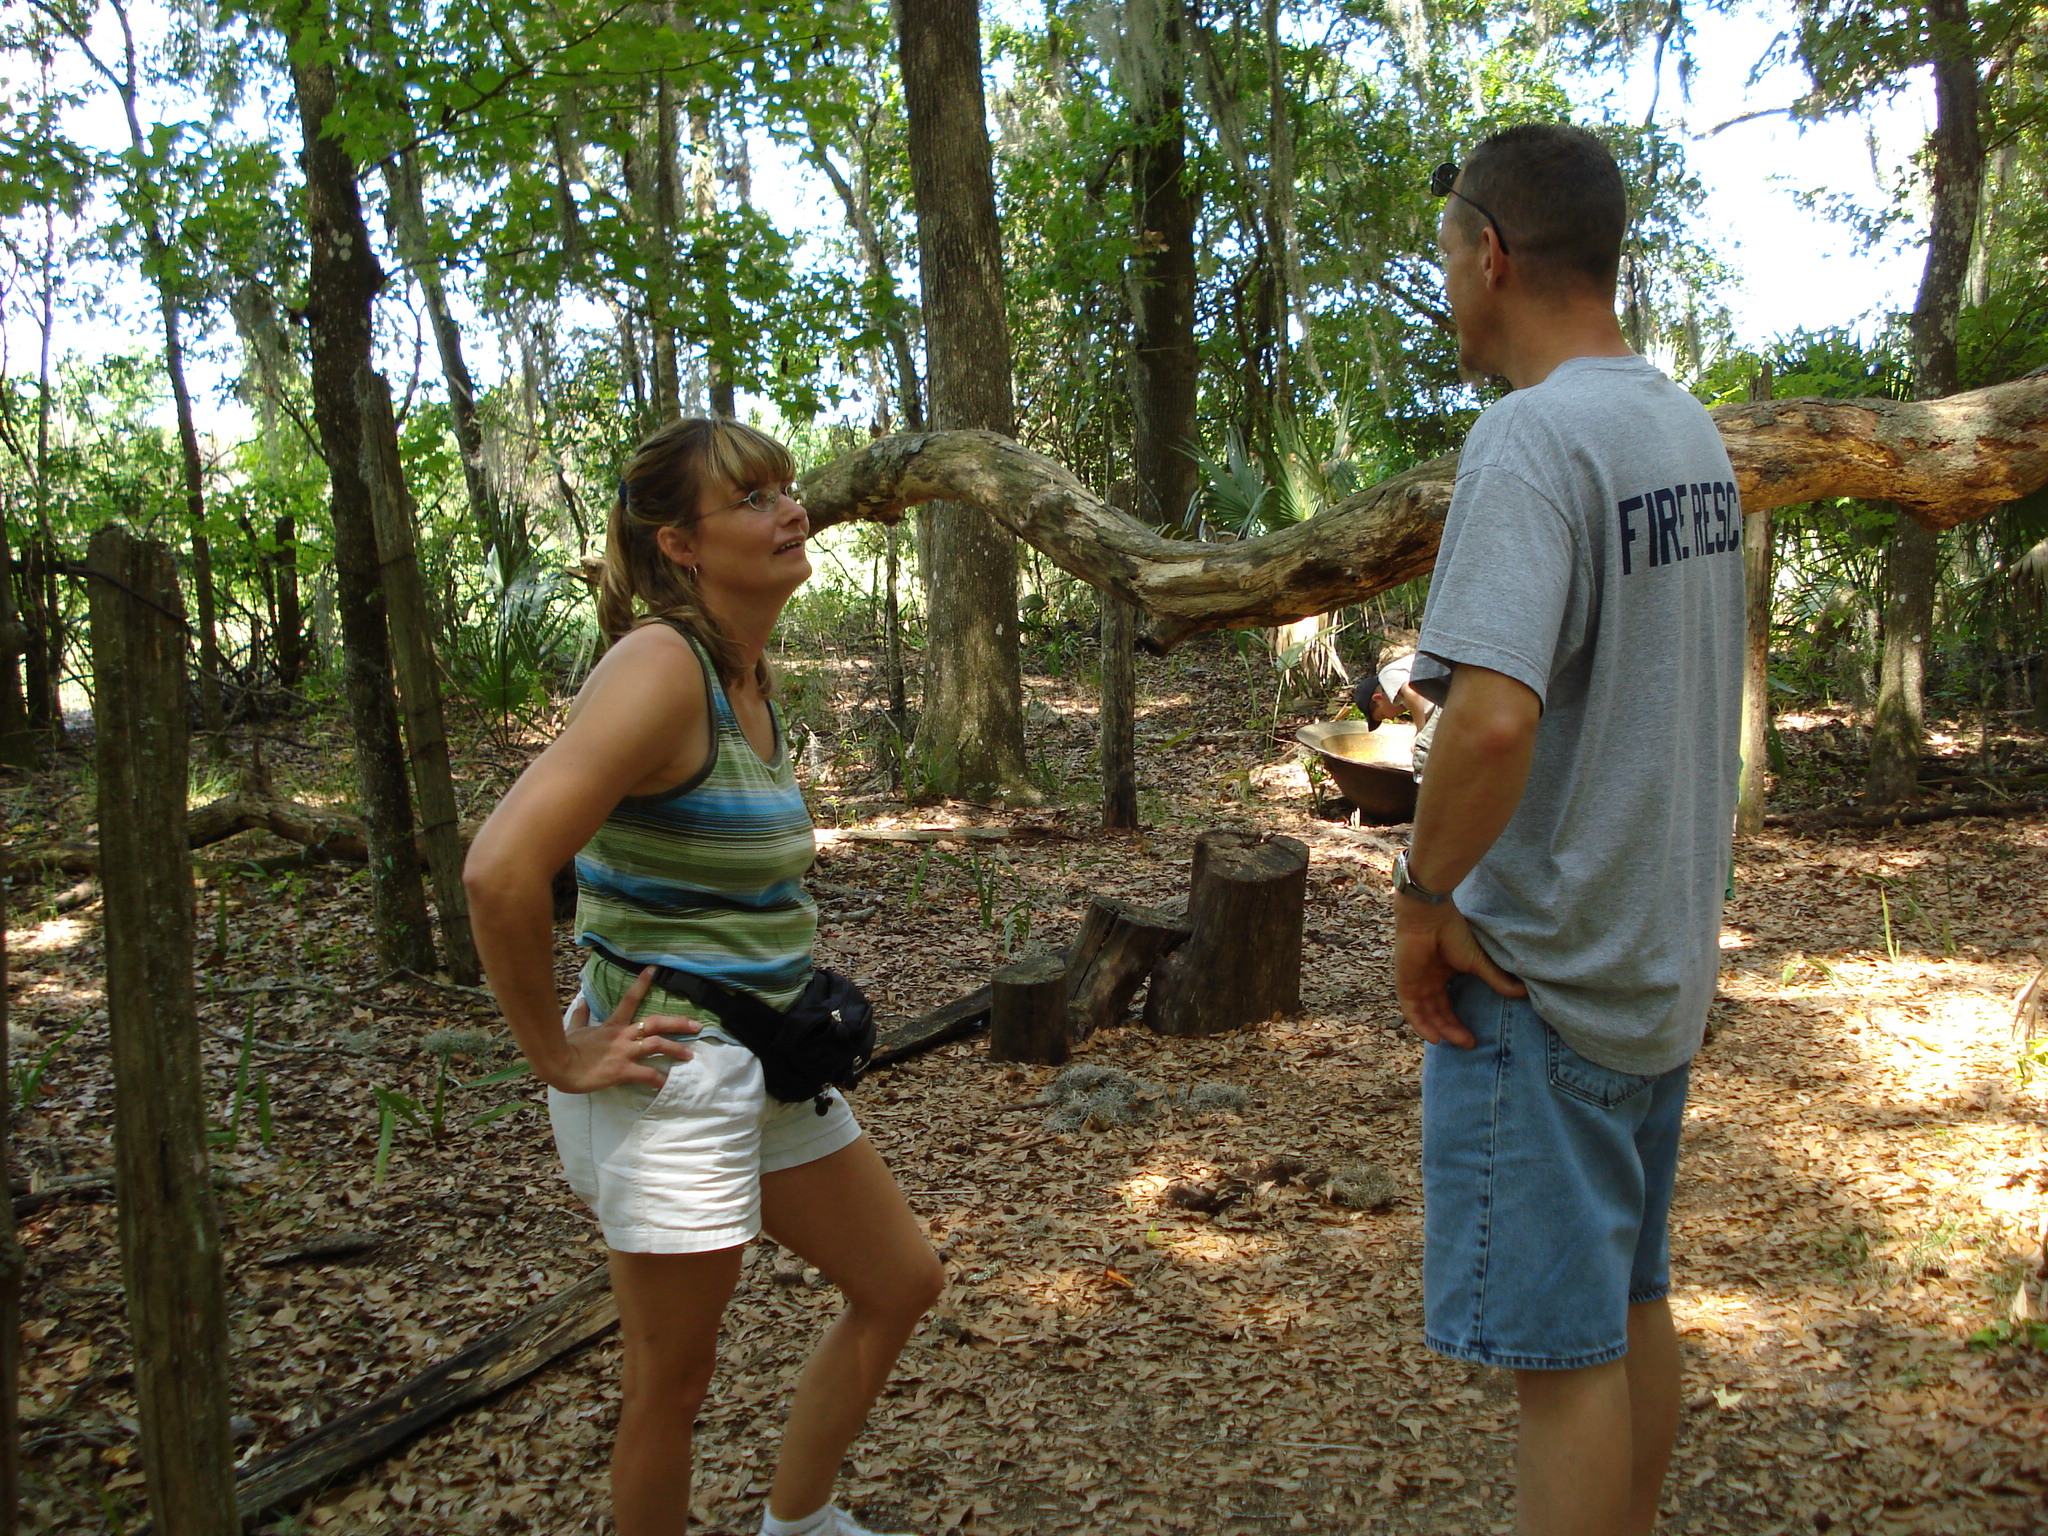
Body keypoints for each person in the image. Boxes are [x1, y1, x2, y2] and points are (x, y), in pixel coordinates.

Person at [464, 418, 943, 1536]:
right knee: (671, 1386)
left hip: (761, 1055)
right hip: (673, 1076)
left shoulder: (744, 672)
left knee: (900, 1282)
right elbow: (499, 869)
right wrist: (555, 1054)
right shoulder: (659, 668)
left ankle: (799, 1522)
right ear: (679, 544)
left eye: (787, 487)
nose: (791, 509)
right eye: (754, 498)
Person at [1389, 124, 1742, 1536]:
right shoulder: (1683, 428)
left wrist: (1421, 898)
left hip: (1541, 980)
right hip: (1656, 969)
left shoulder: (1530, 437)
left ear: (1492, 254)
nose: (1445, 288)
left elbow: (1489, 723)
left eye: (1444, 257)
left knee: (1564, 1362)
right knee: (1631, 1299)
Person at [1354, 648, 1439, 780]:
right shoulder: (1405, 699)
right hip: (1448, 702)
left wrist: (1420, 731)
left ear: (1378, 698)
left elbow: (1411, 693)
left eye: (1382, 715)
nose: (1390, 718)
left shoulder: (1387, 676)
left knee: (1422, 749)